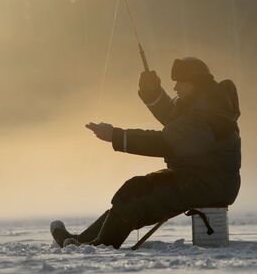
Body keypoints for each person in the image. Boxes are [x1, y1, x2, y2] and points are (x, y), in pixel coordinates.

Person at [50, 56, 241, 249]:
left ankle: (100, 246)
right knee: (134, 189)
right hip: (199, 178)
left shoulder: (209, 114)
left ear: (195, 84)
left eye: (180, 83)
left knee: (135, 197)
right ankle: (83, 241)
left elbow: (164, 142)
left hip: (207, 184)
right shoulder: (205, 104)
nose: (175, 88)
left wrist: (116, 136)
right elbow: (173, 117)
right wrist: (153, 93)